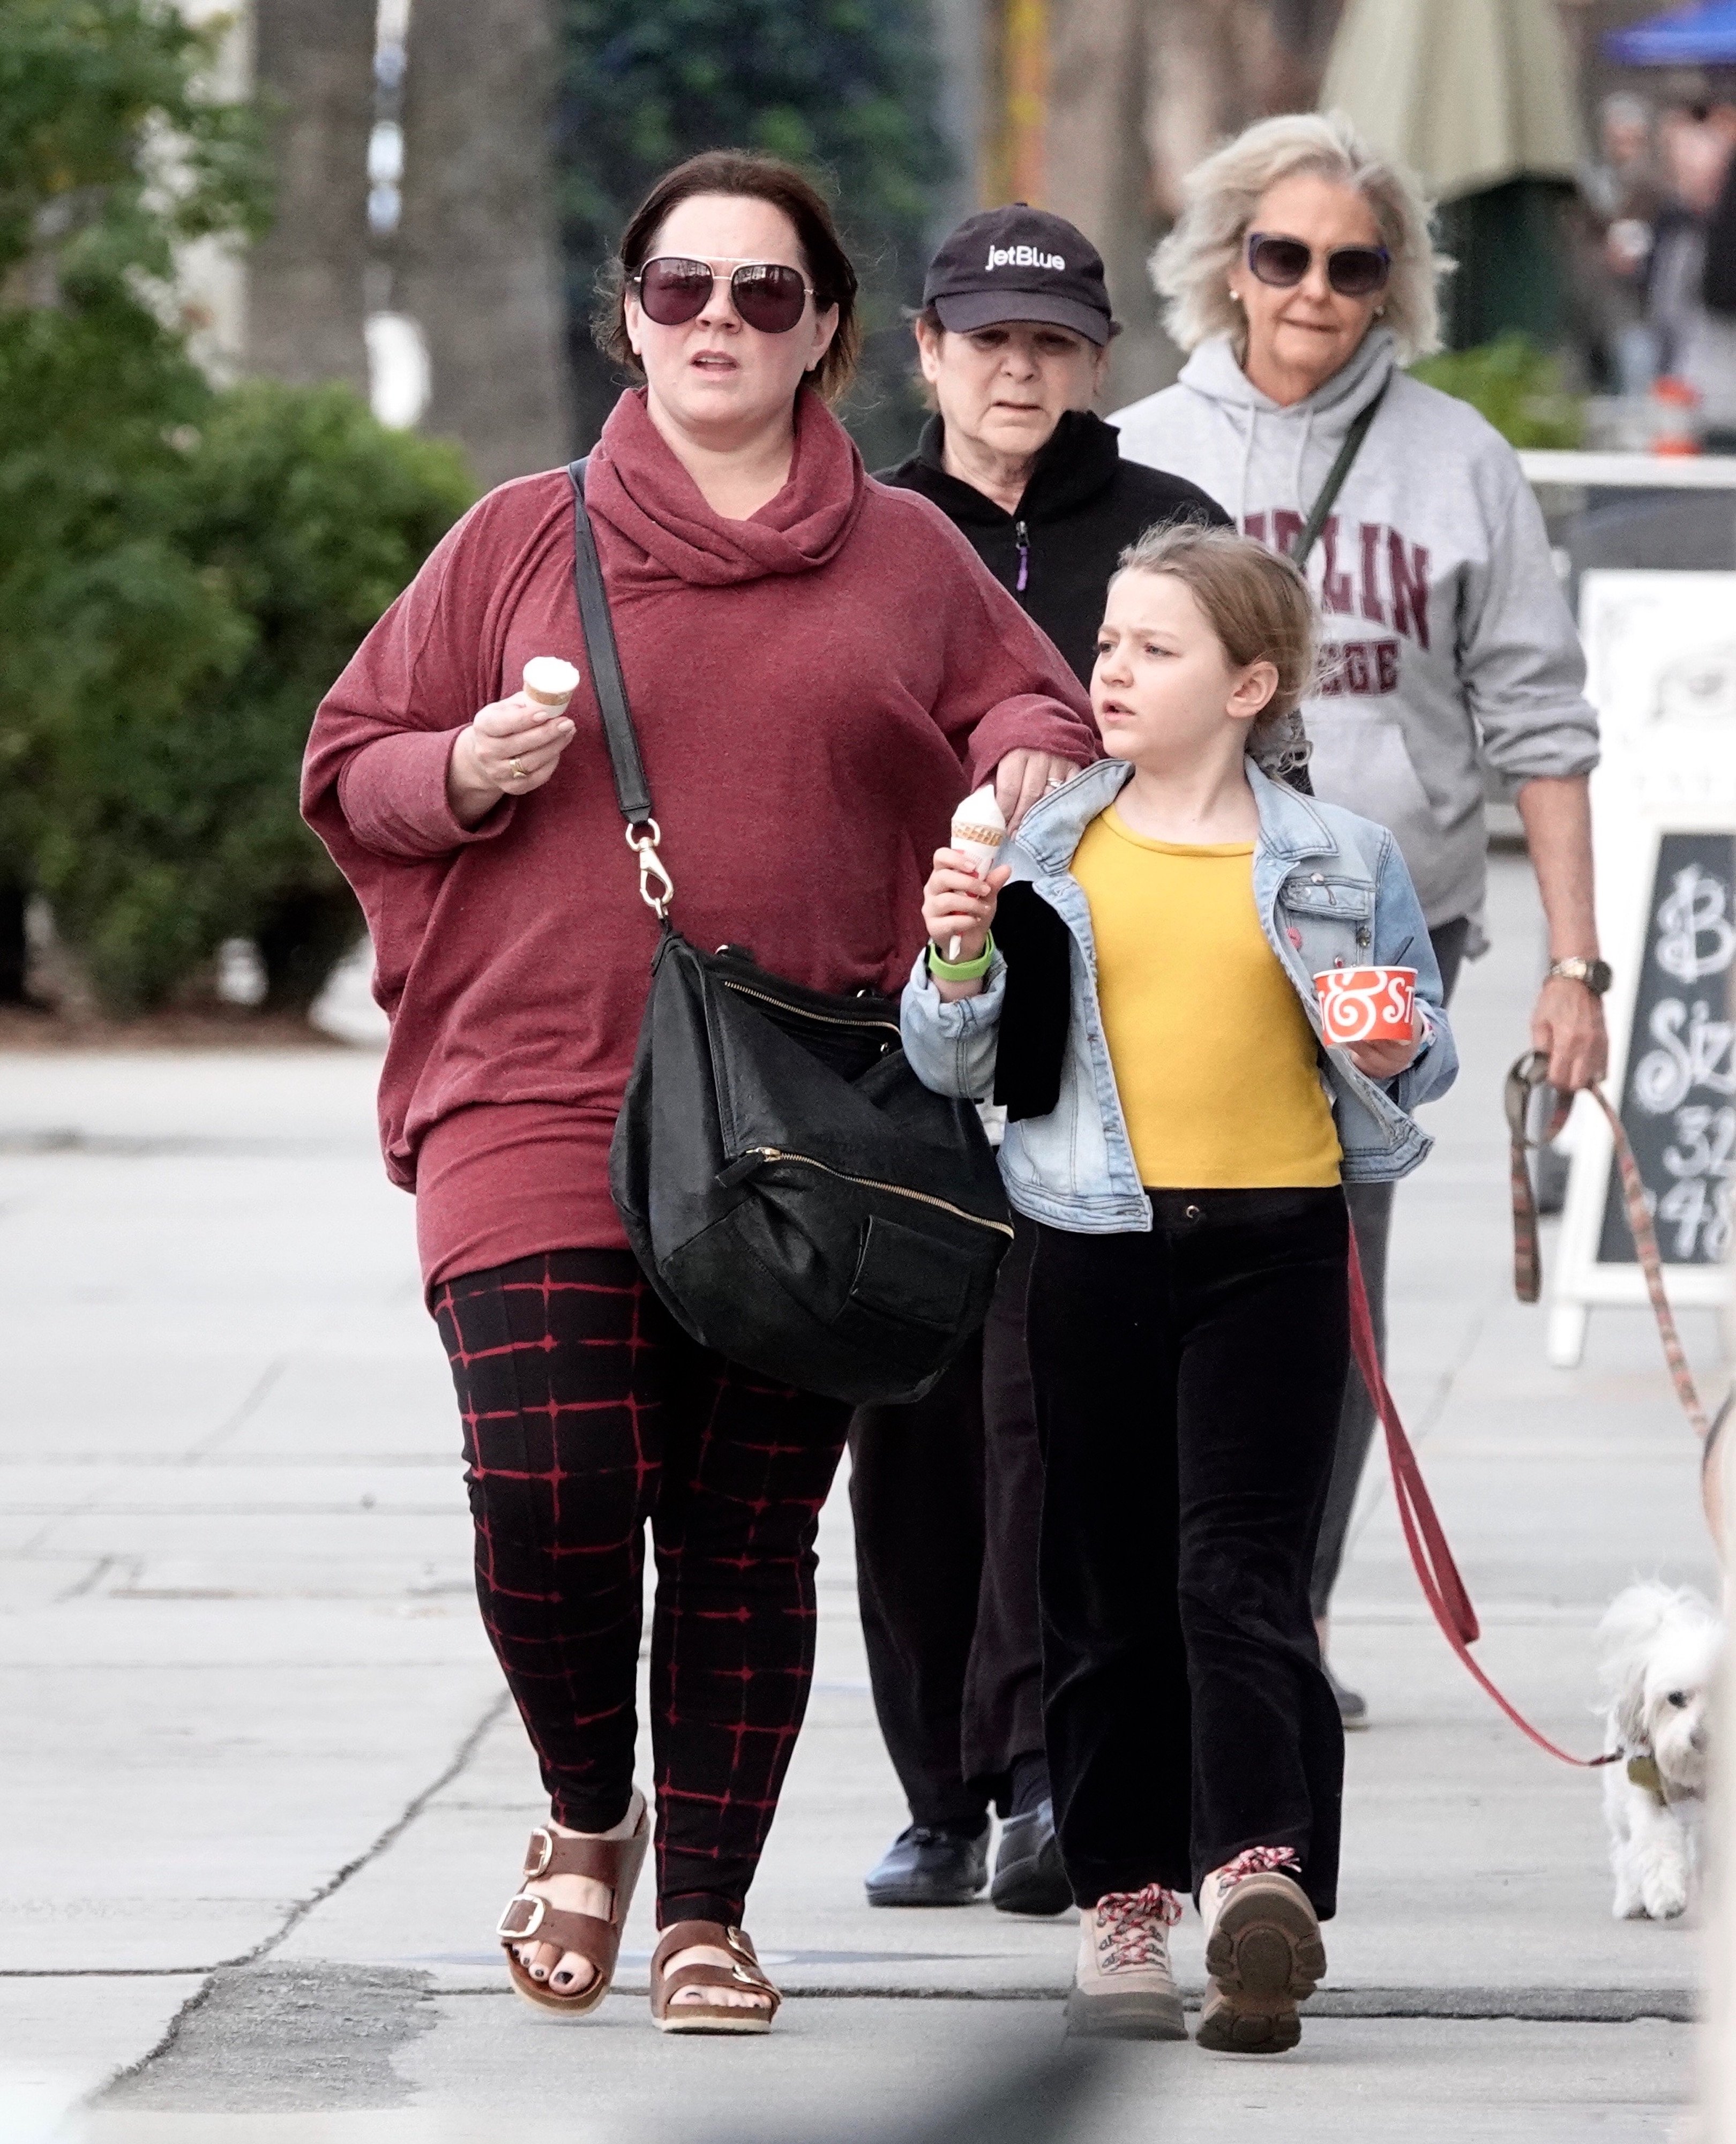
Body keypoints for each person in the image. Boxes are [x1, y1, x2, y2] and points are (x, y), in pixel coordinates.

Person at [302, 148, 1096, 2036]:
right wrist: (468, 776)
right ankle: (589, 1814)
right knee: (554, 1477)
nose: (718, 323)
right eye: (681, 290)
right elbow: (351, 764)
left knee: (744, 1523)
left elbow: (1041, 710)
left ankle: (711, 1910)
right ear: (630, 315)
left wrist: (1004, 787)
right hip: (535, 1079)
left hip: (799, 1112)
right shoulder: (513, 536)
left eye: (763, 293)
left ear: (826, 330)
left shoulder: (910, 557)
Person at [903, 523, 1457, 2050]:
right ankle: (1124, 1895)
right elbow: (958, 1062)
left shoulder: (1344, 858)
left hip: (1277, 1245)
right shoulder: (1050, 847)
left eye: (1155, 649)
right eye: (1107, 648)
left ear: (1250, 682)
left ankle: (1254, 1874)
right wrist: (955, 958)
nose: (1113, 673)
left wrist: (1395, 1038)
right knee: (1102, 1584)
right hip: (1087, 1241)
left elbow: (1423, 1046)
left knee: (1240, 1577)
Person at [1109, 111, 1604, 1721]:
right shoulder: (1138, 452)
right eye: (1284, 256)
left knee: (1327, 1262)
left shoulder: (1461, 462)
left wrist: (1576, 965)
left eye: (1354, 263)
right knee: (1144, 1259)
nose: (1316, 289)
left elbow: (1541, 722)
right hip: (1169, 917)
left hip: (1386, 938)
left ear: (1394, 285)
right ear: (1229, 265)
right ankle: (1160, 1606)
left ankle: (1275, 1620)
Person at [855, 206, 1225, 1917]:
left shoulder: (1168, 527)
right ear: (923, 351)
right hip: (881, 1027)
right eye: (986, 338)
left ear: (1097, 364)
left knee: (1055, 1410)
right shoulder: (856, 526)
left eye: (1053, 342)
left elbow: (1240, 749)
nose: (1019, 368)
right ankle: (936, 1783)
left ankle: (1035, 1777)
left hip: (1098, 1039)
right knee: (913, 1420)